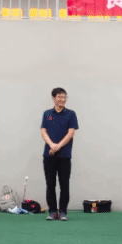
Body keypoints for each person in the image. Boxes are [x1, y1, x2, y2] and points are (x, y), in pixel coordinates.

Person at [41, 87, 78, 221]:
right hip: (49, 155)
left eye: (64, 97)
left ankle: (63, 211)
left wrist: (58, 146)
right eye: (59, 97)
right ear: (53, 98)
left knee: (64, 185)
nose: (62, 99)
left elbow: (71, 133)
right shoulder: (47, 114)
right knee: (50, 185)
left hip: (64, 156)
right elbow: (43, 131)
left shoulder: (71, 114)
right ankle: (52, 211)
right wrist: (51, 145)